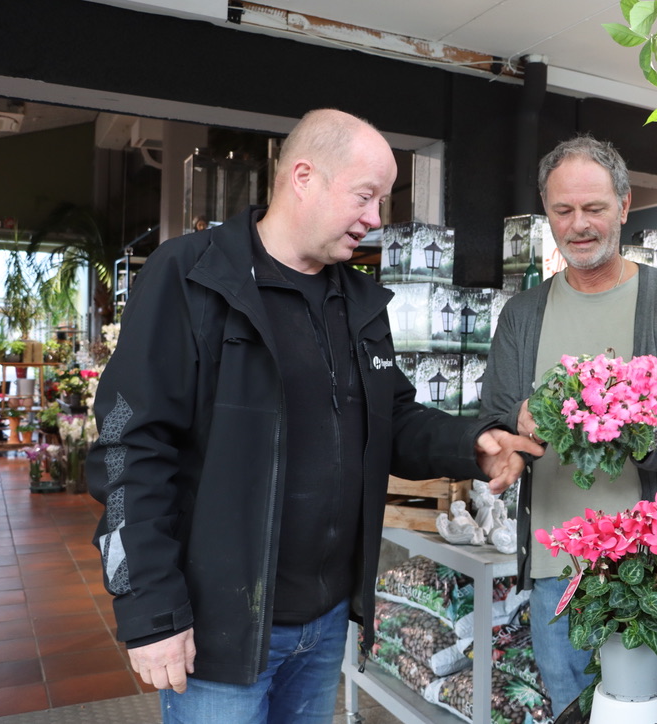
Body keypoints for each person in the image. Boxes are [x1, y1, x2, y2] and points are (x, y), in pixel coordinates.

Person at [87, 108, 543, 724]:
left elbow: (393, 419)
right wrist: (151, 611)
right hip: (221, 626)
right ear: (304, 176)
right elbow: (127, 450)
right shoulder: (191, 275)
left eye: (382, 200)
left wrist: (474, 441)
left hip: (325, 623)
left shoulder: (355, 299)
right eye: (365, 196)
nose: (376, 218)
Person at [479, 135, 657, 714]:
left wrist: (632, 426)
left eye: (594, 208)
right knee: (572, 712)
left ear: (625, 204)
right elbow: (494, 419)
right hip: (556, 575)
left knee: (652, 713)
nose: (579, 224)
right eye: (563, 210)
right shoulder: (524, 314)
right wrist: (504, 444)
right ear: (547, 214)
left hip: (654, 573)